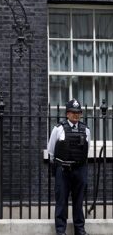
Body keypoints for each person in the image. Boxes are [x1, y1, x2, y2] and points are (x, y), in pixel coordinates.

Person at [47, 99, 90, 235]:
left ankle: (80, 230)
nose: (76, 115)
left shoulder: (86, 130)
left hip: (80, 168)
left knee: (78, 201)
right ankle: (60, 231)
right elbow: (51, 150)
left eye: (78, 112)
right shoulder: (58, 129)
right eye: (73, 112)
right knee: (61, 201)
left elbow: (86, 151)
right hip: (63, 170)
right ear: (67, 114)